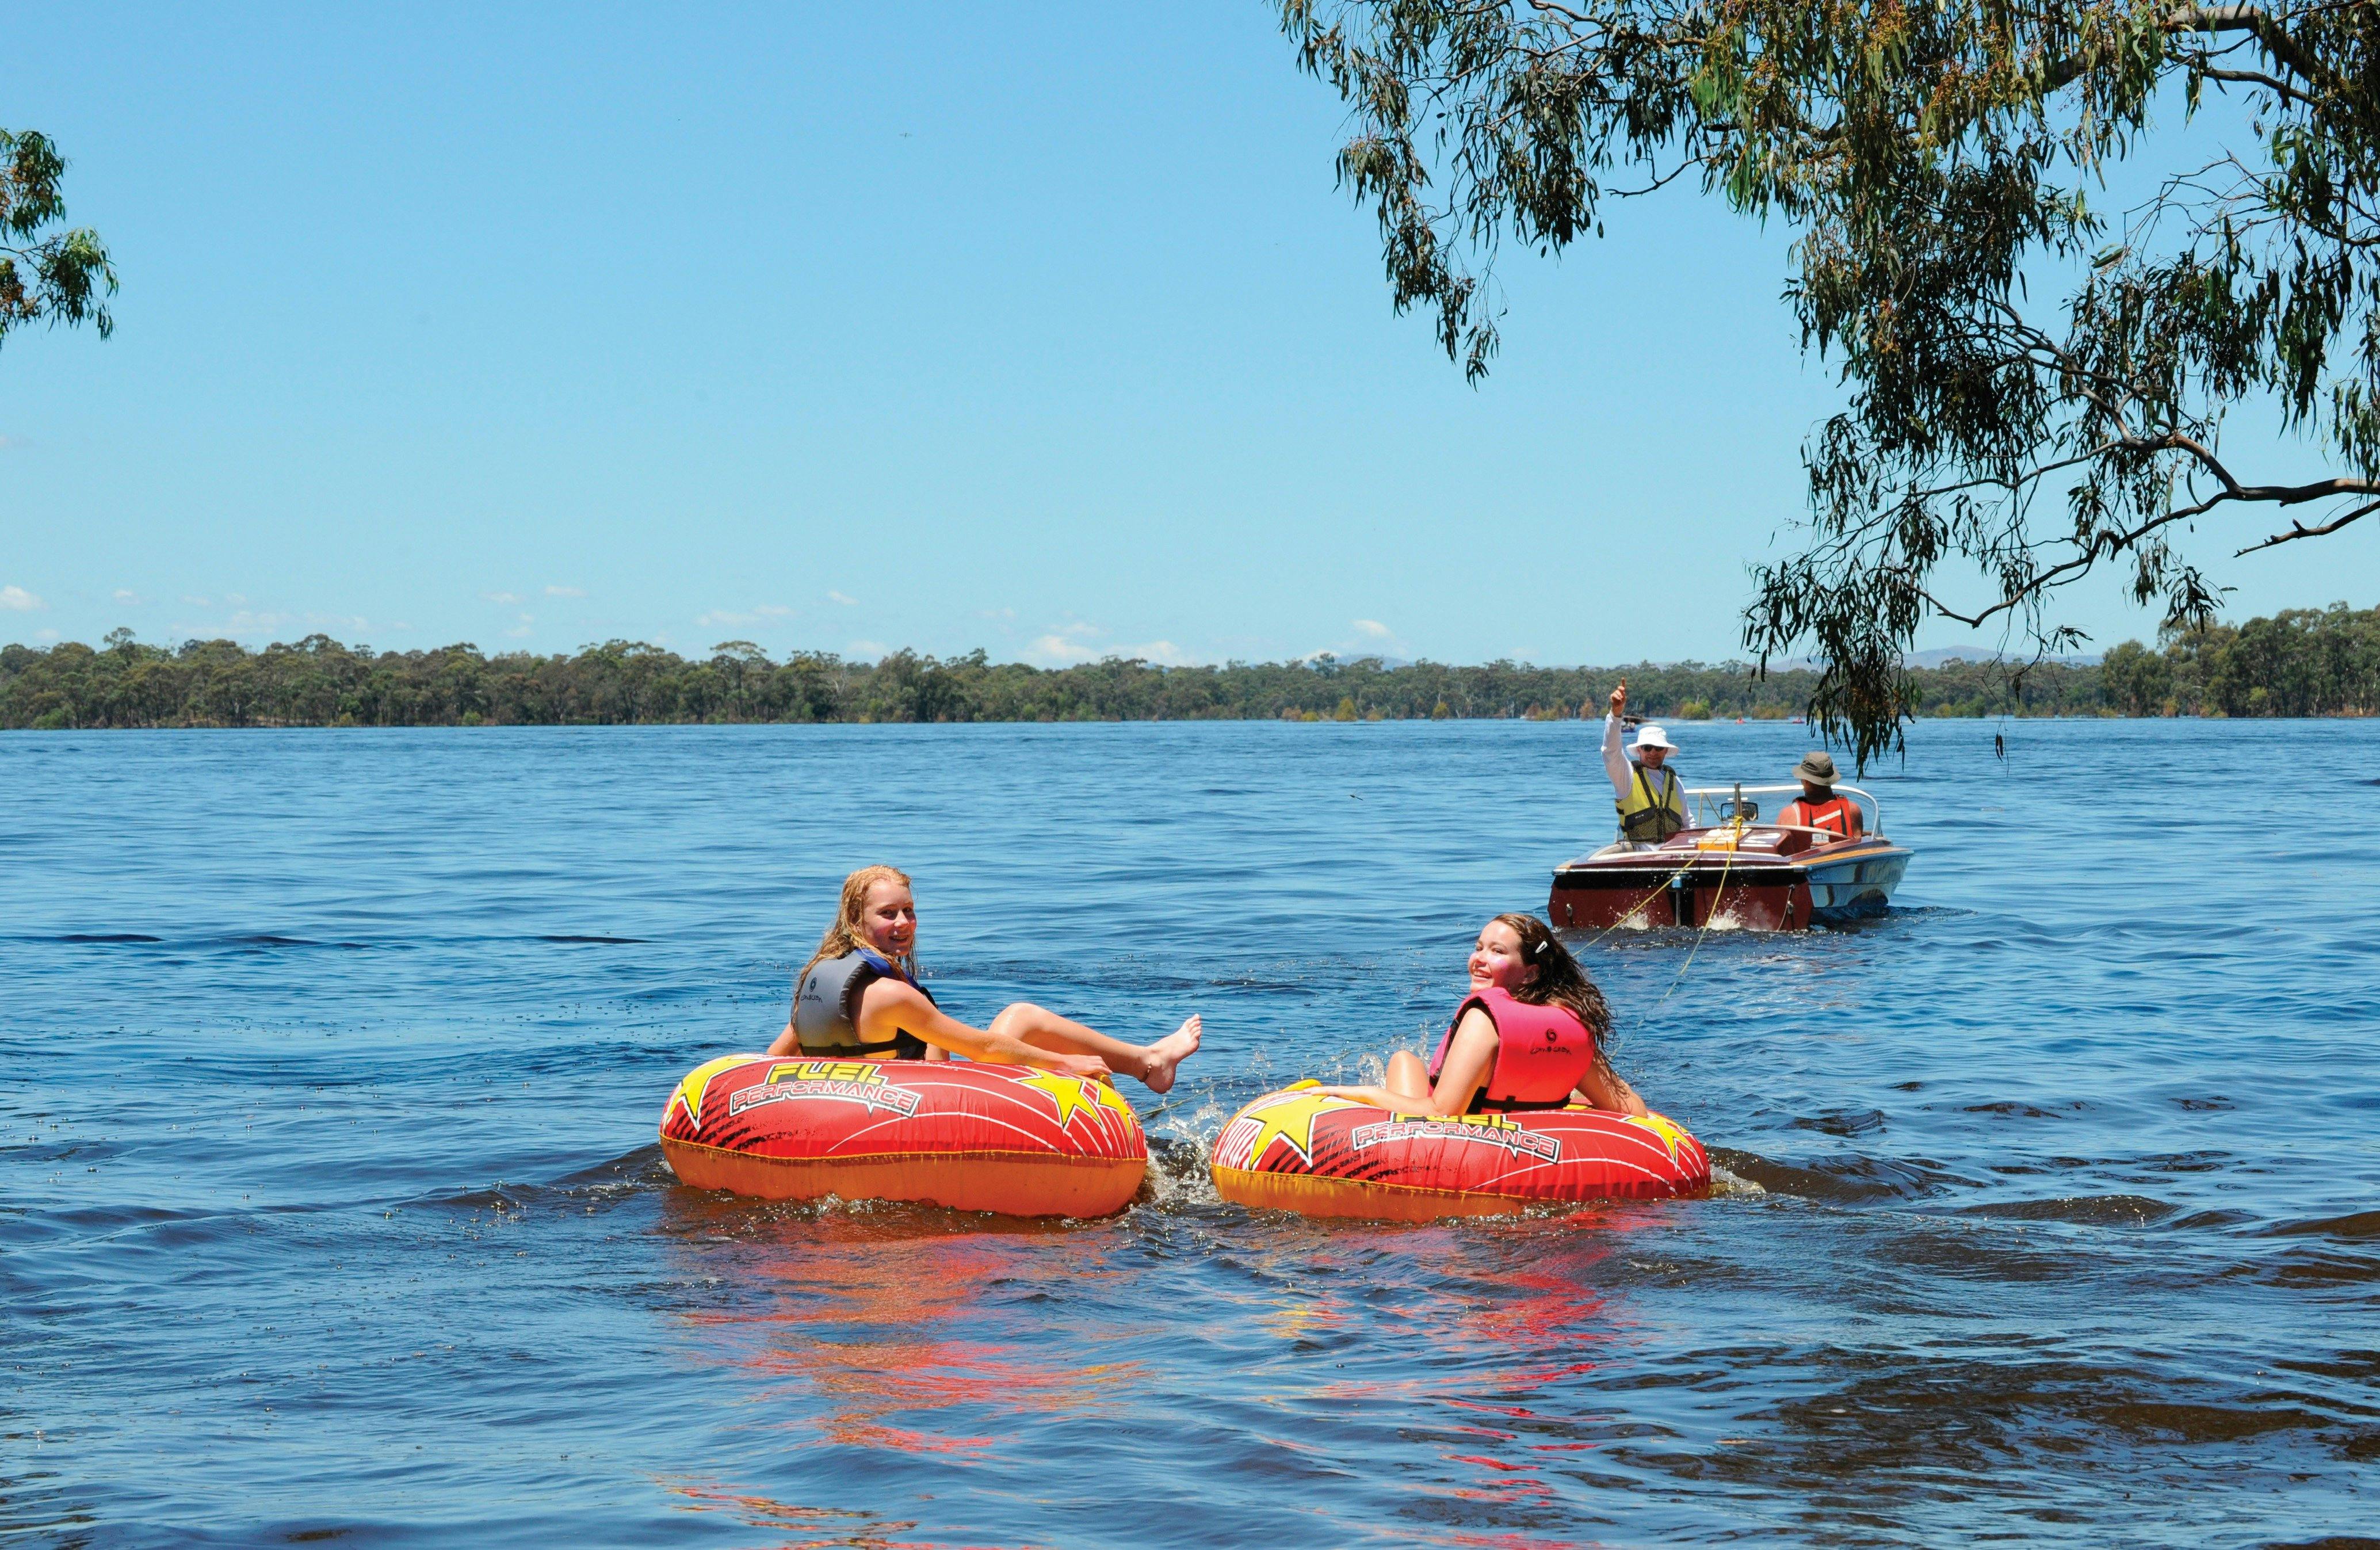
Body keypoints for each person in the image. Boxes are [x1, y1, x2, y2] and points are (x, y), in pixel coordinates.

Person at [766, 865, 1204, 1092]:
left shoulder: (817, 987)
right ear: (855, 921)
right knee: (1020, 1018)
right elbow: (985, 1047)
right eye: (888, 914)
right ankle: (1149, 1064)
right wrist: (1066, 1064)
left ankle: (1149, 1061)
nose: (904, 923)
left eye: (909, 911)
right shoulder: (888, 995)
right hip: (917, 1109)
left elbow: (775, 1059)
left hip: (864, 1102)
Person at [1317, 913, 1648, 1118]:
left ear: (1531, 974)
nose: (1479, 958)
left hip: (1460, 1141)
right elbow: (1632, 1110)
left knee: (1403, 1060)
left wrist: (1349, 1093)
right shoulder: (1569, 1025)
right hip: (1530, 1133)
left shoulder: (1485, 1019)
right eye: (1479, 947)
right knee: (1406, 1059)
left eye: (1497, 951)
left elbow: (1440, 1113)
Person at [1601, 679, 1686, 846]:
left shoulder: (1674, 781)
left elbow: (1688, 823)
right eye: (1647, 748)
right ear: (1639, 750)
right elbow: (1611, 752)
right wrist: (1615, 714)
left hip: (1672, 858)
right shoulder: (1626, 776)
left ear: (1666, 751)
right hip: (1638, 857)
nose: (1653, 753)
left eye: (1658, 748)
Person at [1777, 751, 1863, 841]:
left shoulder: (1790, 815)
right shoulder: (1852, 810)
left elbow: (1781, 851)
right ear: (1831, 777)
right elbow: (1858, 846)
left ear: (1805, 781)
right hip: (1843, 855)